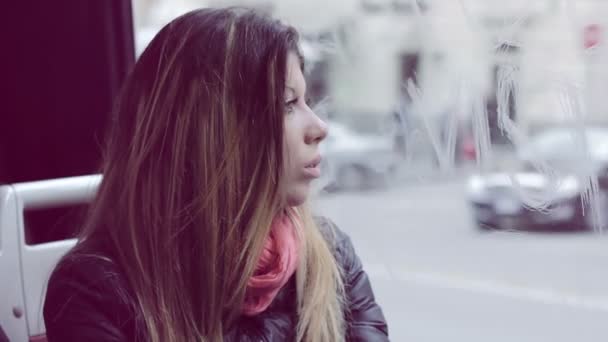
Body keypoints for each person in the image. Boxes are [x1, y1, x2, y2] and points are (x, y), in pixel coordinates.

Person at [43, 7, 389, 342]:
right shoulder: (96, 291)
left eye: (305, 101)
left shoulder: (328, 256)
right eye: (286, 104)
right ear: (211, 134)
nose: (319, 128)